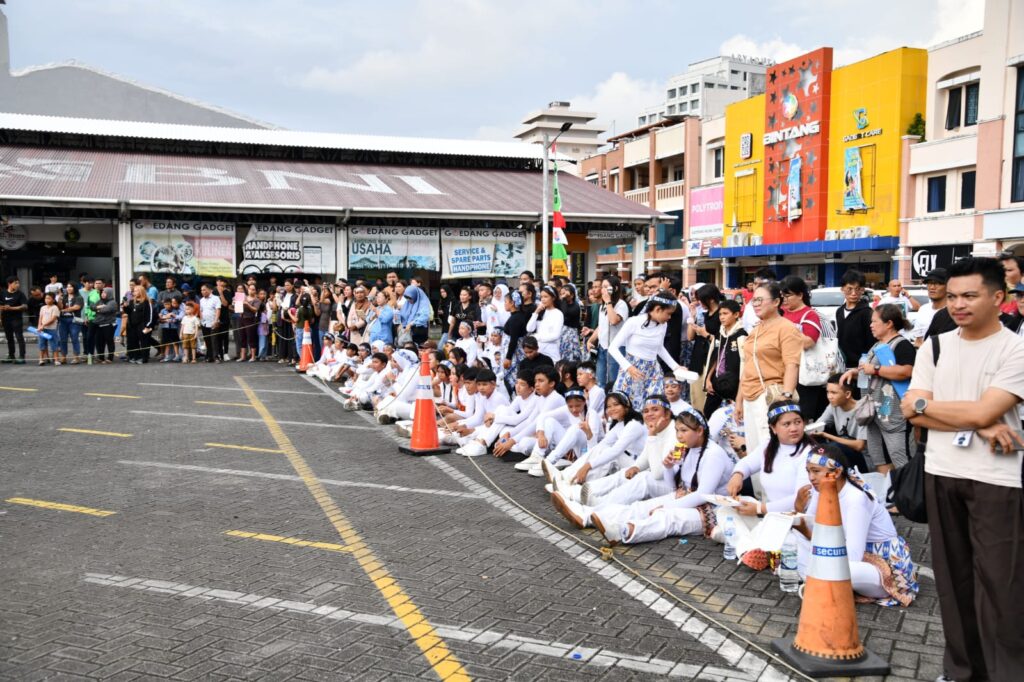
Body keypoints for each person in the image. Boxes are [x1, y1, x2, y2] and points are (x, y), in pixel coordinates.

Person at [901, 257, 1024, 681]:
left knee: (1002, 586)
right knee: (953, 581)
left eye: (969, 295)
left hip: (998, 479)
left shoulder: (1016, 348)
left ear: (998, 297)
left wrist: (976, 417)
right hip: (941, 470)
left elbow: (979, 409)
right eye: (952, 296)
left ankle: (1006, 673)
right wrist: (977, 421)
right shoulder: (936, 344)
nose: (958, 304)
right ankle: (961, 671)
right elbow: (909, 410)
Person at [792, 445, 918, 607]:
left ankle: (818, 582)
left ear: (836, 472)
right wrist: (798, 510)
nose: (811, 477)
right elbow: (809, 524)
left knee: (839, 567)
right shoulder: (821, 488)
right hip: (848, 553)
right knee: (794, 537)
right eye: (808, 471)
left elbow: (852, 556)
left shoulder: (856, 499)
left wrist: (809, 533)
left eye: (816, 471)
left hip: (885, 567)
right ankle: (813, 581)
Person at [586, 409, 734, 546]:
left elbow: (703, 495)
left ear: (700, 430)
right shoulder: (687, 448)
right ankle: (588, 516)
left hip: (711, 511)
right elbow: (672, 487)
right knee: (641, 507)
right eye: (677, 430)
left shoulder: (713, 454)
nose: (679, 436)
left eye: (684, 430)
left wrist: (667, 506)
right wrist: (669, 467)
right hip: (685, 496)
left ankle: (622, 531)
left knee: (667, 517)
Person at [725, 400, 815, 570]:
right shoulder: (768, 445)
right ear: (774, 429)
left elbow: (801, 499)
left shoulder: (809, 453)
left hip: (797, 521)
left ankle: (751, 547)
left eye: (797, 422)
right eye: (786, 424)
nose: (794, 428)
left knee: (785, 541)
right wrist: (737, 475)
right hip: (772, 517)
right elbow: (747, 464)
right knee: (726, 510)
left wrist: (760, 509)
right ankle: (755, 546)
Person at [840, 304, 916, 474]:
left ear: (888, 323)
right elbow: (868, 369)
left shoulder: (901, 345)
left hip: (894, 416)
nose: (871, 325)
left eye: (874, 321)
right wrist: (854, 371)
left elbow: (906, 371)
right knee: (879, 458)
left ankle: (906, 497)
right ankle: (888, 496)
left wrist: (875, 370)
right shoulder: (876, 345)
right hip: (873, 415)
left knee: (901, 460)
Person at [737, 282, 803, 455]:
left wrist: (786, 397)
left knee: (770, 449)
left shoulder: (786, 328)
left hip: (769, 396)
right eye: (753, 300)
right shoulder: (756, 329)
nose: (756, 304)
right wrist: (739, 400)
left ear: (776, 302)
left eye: (760, 299)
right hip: (749, 396)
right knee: (753, 450)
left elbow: (792, 364)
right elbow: (747, 365)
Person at [608, 292, 692, 411]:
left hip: (653, 370)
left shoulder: (663, 325)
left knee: (655, 405)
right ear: (658, 309)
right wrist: (629, 367)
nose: (669, 317)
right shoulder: (634, 322)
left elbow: (659, 348)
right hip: (633, 370)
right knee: (628, 407)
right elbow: (613, 347)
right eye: (668, 313)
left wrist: (676, 367)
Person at [779, 275, 828, 420]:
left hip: (804, 375)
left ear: (800, 295)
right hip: (784, 371)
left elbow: (808, 342)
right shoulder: (782, 313)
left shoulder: (809, 314)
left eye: (788, 296)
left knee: (802, 416)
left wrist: (785, 334)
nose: (784, 300)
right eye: (782, 296)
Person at [811, 374, 869, 473]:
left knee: (834, 447)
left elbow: (860, 445)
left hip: (863, 460)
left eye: (833, 393)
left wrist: (827, 435)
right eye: (828, 392)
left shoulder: (862, 409)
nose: (829, 396)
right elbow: (816, 426)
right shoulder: (833, 406)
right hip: (844, 455)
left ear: (847, 394)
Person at [703, 299, 746, 418]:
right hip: (717, 381)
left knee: (733, 417)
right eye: (720, 314)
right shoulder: (720, 334)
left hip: (734, 385)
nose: (722, 317)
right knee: (708, 413)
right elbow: (716, 357)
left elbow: (745, 366)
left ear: (736, 315)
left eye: (725, 313)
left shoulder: (742, 335)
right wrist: (708, 379)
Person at [687, 284, 721, 412]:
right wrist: (693, 316)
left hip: (712, 360)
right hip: (698, 357)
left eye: (701, 299)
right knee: (696, 397)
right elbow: (690, 336)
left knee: (708, 399)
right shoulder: (703, 314)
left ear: (711, 299)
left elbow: (723, 341)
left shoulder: (721, 314)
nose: (699, 303)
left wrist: (706, 335)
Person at [592, 276, 629, 390]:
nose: (602, 289)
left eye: (606, 287)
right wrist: (590, 340)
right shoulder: (603, 305)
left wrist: (608, 302)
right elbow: (601, 326)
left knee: (614, 381)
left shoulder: (621, 304)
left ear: (615, 288)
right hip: (602, 347)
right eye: (602, 287)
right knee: (600, 381)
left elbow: (613, 321)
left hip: (616, 348)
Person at [835, 270, 874, 370]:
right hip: (841, 363)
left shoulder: (867, 312)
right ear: (842, 289)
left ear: (862, 290)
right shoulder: (839, 311)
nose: (853, 293)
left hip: (859, 366)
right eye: (849, 289)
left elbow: (872, 341)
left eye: (858, 289)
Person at [910, 268, 952, 345]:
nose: (932, 287)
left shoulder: (953, 312)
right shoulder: (923, 309)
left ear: (948, 286)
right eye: (929, 283)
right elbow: (918, 340)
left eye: (938, 283)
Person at [526, 285, 564, 363]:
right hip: (539, 351)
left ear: (553, 298)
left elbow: (555, 335)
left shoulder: (558, 313)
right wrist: (536, 312)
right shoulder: (541, 312)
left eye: (546, 297)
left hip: (551, 352)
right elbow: (529, 328)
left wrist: (536, 337)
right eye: (541, 297)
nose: (543, 299)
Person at [124, 286, 156, 365]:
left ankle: (144, 358)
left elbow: (150, 315)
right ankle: (136, 356)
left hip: (142, 325)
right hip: (133, 326)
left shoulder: (146, 302)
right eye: (134, 291)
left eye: (136, 291)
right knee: (134, 342)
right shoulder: (132, 302)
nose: (134, 293)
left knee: (144, 342)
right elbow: (129, 312)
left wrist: (148, 326)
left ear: (141, 292)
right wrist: (125, 307)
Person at [1, 276, 28, 364]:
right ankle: (11, 355)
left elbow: (25, 306)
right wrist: (3, 307)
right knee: (9, 338)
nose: (18, 285)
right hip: (5, 318)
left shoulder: (20, 294)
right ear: (9, 284)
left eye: (18, 283)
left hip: (16, 319)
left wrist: (12, 308)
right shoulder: (3, 293)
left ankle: (21, 357)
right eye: (15, 283)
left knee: (19, 337)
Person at [741, 268, 776, 333]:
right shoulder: (749, 305)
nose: (757, 287)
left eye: (761, 284)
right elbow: (745, 327)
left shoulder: (778, 305)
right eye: (755, 283)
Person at [56, 282, 83, 365]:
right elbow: (59, 308)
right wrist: (59, 299)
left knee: (74, 338)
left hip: (74, 320)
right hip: (63, 320)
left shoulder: (78, 297)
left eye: (71, 286)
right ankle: (63, 357)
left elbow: (77, 307)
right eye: (67, 287)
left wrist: (65, 310)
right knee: (62, 339)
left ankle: (76, 357)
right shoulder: (64, 297)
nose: (69, 288)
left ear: (74, 288)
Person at [90, 287, 118, 364]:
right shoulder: (100, 301)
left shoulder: (112, 302)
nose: (102, 294)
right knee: (99, 341)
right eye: (102, 293)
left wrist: (98, 309)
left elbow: (105, 310)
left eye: (104, 293)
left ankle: (110, 358)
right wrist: (98, 308)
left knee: (109, 341)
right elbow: (91, 307)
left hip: (108, 324)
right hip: (99, 324)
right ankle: (101, 357)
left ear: (109, 293)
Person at [558, 283, 583, 363]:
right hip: (560, 334)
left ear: (572, 295)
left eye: (565, 293)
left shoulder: (575, 305)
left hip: (570, 334)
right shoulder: (561, 303)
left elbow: (563, 314)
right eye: (561, 294)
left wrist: (564, 299)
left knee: (571, 357)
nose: (563, 296)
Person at [199, 284, 222, 364]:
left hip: (213, 322)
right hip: (204, 323)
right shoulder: (201, 300)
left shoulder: (216, 298)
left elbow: (218, 310)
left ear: (210, 290)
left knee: (214, 340)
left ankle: (216, 357)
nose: (203, 291)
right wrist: (201, 320)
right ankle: (209, 356)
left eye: (204, 290)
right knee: (207, 340)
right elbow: (201, 311)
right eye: (202, 290)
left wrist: (216, 321)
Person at [36, 292, 60, 365]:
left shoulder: (55, 307)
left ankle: (56, 360)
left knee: (54, 344)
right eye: (46, 298)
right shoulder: (42, 307)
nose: (46, 300)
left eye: (49, 298)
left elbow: (53, 319)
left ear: (53, 300)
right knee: (42, 344)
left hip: (52, 329)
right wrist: (39, 326)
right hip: (42, 329)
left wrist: (43, 325)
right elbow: (40, 317)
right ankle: (41, 359)